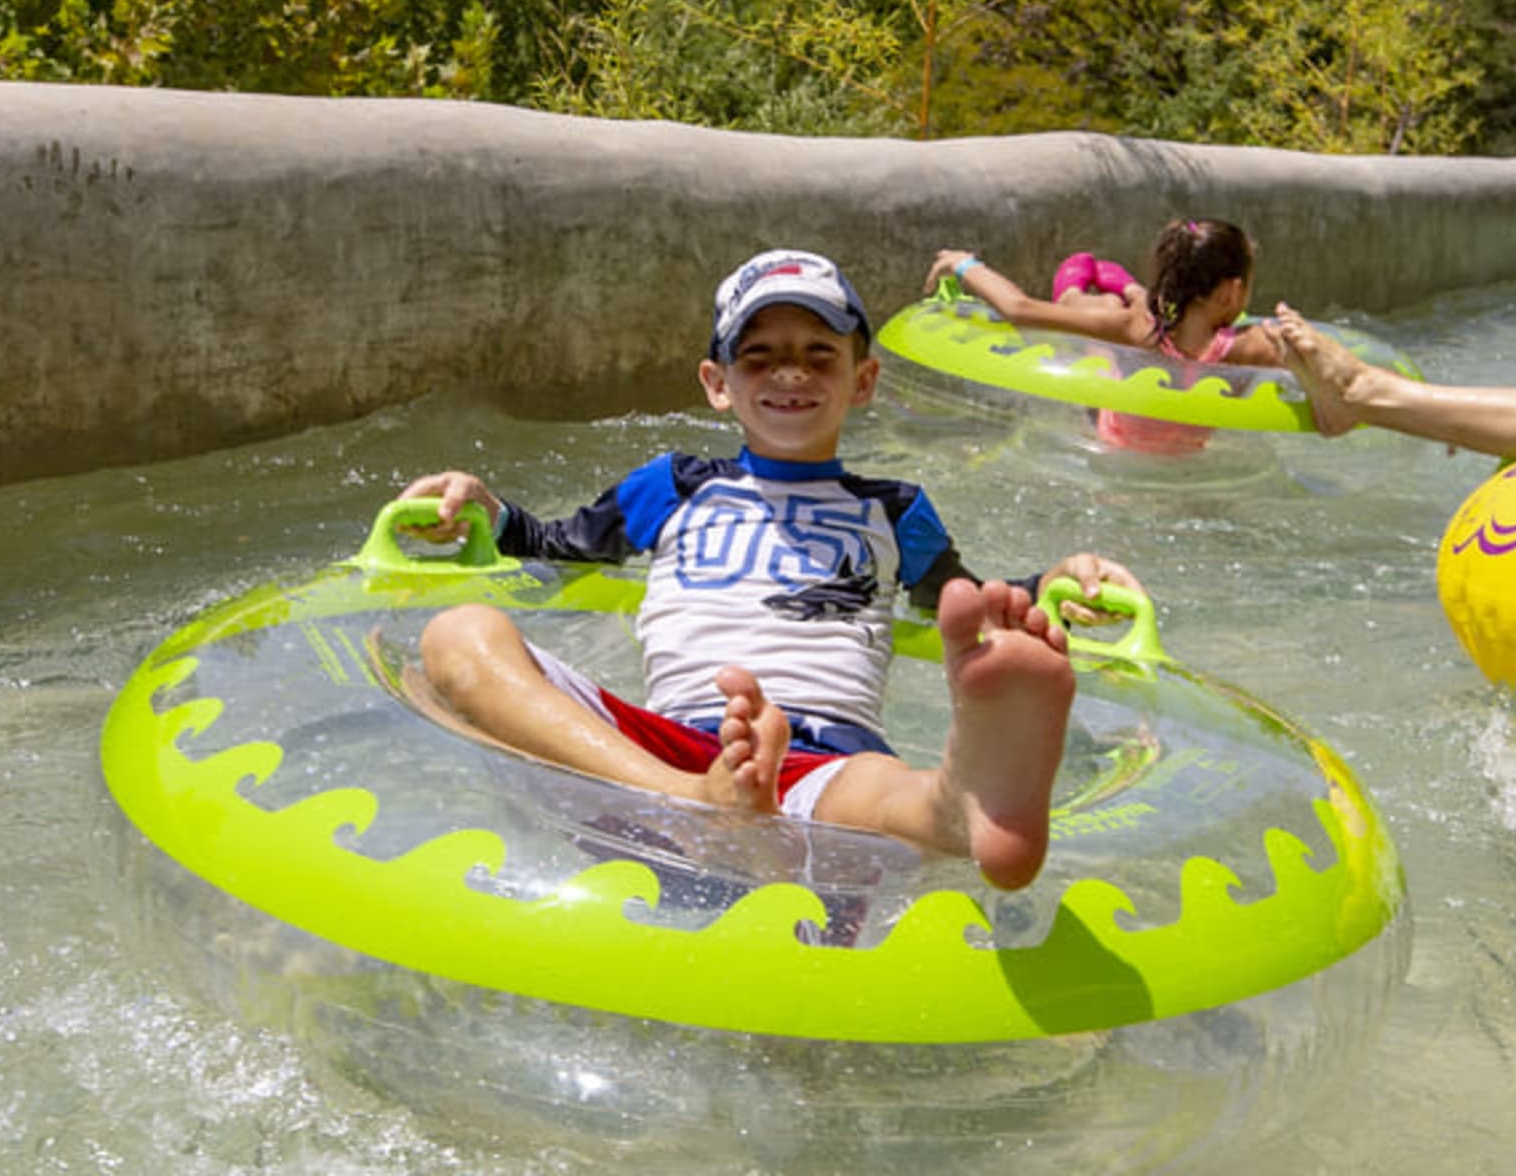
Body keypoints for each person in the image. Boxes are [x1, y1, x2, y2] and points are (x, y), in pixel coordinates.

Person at [395, 249, 1143, 892]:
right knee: (458, 636)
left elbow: (965, 600)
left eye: (821, 353)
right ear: (718, 383)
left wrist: (1051, 589)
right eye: (760, 355)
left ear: (864, 380)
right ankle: (700, 800)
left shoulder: (895, 511)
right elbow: (557, 546)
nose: (792, 371)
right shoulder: (673, 485)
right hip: (668, 745)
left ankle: (957, 806)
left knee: (885, 792)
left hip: (832, 751)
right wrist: (488, 512)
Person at [931, 219, 1304, 454]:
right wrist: (963, 264)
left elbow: (1020, 309)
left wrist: (964, 263)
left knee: (1120, 313)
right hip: (1105, 415)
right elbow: (1024, 312)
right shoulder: (1250, 347)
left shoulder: (1140, 331)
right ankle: (1080, 285)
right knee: (1096, 309)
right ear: (1233, 291)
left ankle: (1129, 288)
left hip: (1145, 342)